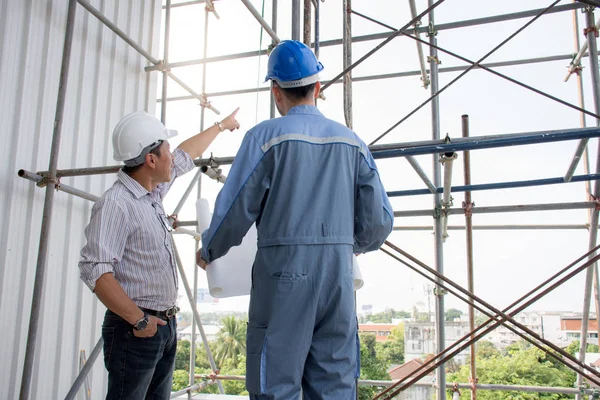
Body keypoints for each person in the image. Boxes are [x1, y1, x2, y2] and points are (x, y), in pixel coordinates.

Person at [197, 40, 393, 399]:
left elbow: (235, 209)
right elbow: (378, 221)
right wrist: (351, 244)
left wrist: (209, 249)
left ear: (276, 91)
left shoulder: (265, 138)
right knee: (335, 384)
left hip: (283, 277)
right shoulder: (352, 143)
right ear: (317, 87)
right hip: (338, 276)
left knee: (276, 383)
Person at [79, 108, 240, 400]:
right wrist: (139, 320)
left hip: (162, 326)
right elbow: (96, 271)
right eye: (166, 149)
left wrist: (221, 125)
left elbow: (184, 156)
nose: (172, 155)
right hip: (136, 329)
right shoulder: (117, 204)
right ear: (151, 160)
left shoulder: (151, 191)